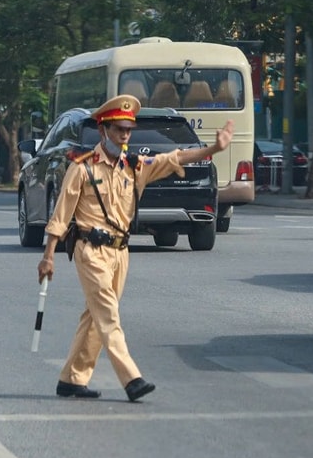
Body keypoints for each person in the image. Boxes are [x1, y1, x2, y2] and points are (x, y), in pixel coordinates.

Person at [37, 94, 234, 402]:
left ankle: (71, 379)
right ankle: (131, 378)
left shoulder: (135, 167)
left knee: (95, 316)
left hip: (120, 253)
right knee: (108, 315)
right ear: (104, 131)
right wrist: (48, 256)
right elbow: (60, 215)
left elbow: (175, 158)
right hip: (90, 250)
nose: (125, 136)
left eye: (128, 130)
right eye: (119, 130)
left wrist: (214, 149)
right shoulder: (82, 168)